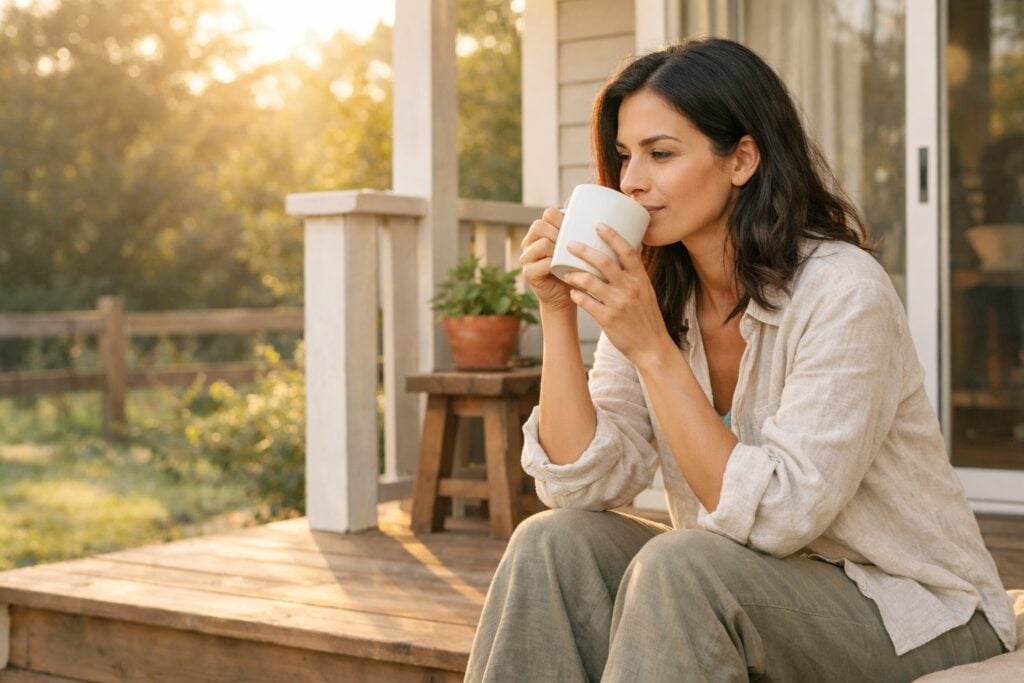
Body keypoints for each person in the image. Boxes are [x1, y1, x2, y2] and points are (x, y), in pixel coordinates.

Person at [464, 38, 1016, 682]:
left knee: (683, 567)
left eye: (660, 153)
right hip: (757, 586)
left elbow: (781, 516)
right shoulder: (659, 292)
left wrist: (652, 349)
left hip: (917, 611)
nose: (632, 180)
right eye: (623, 156)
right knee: (551, 543)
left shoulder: (843, 290)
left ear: (742, 159)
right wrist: (557, 312)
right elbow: (580, 484)